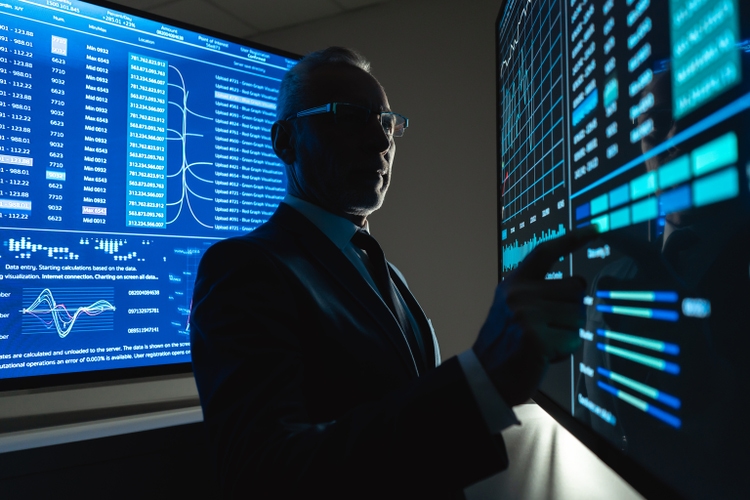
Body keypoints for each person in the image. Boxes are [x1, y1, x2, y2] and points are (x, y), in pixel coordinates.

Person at [190, 47, 598, 499]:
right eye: (349, 117)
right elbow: (264, 476)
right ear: (286, 141)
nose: (381, 142)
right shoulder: (244, 267)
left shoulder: (385, 271)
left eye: (386, 123)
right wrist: (481, 378)